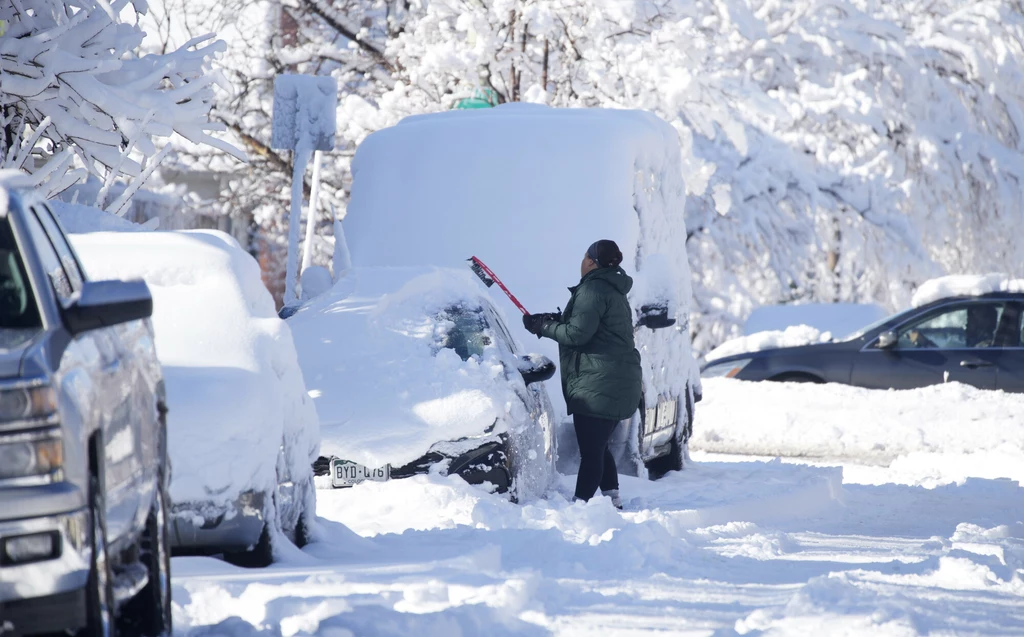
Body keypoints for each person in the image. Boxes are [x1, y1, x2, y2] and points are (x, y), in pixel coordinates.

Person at [522, 240, 643, 509]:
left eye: (584, 256)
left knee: (591, 451)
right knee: (599, 447)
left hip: (599, 383)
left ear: (590, 261)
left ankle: (581, 507)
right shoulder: (611, 289)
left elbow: (577, 334)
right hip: (615, 381)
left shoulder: (593, 289)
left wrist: (543, 327)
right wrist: (554, 320)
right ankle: (612, 500)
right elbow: (590, 326)